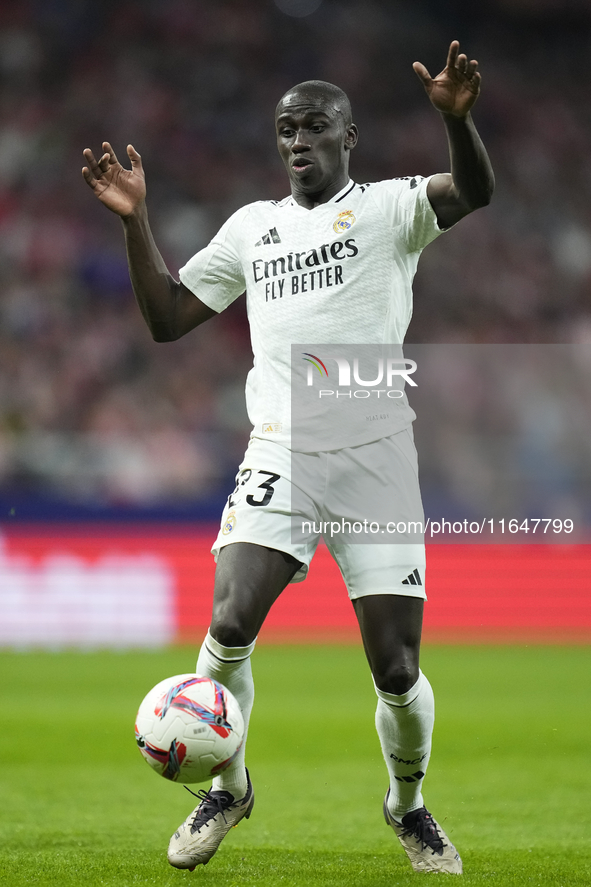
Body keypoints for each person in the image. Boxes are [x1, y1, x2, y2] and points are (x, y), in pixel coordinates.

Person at [82, 40, 493, 875]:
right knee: (229, 625)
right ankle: (226, 787)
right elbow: (165, 317)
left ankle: (406, 806)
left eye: (314, 127)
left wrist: (459, 123)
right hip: (283, 449)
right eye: (285, 130)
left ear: (350, 137)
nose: (297, 140)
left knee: (396, 666)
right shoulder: (252, 228)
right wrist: (137, 221)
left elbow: (475, 190)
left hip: (376, 451)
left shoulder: (391, 208)